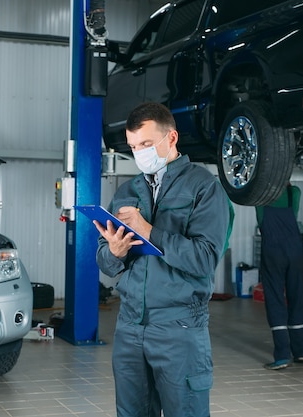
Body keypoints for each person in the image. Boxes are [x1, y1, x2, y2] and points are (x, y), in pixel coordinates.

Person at [93, 102, 232, 417]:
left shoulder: (204, 188)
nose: (139, 153)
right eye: (132, 146)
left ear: (171, 139)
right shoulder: (127, 191)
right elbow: (104, 260)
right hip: (130, 325)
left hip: (179, 326)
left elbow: (205, 259)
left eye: (145, 144)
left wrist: (149, 230)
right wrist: (113, 253)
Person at [255, 183, 303, 370]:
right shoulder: (294, 193)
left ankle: (282, 356)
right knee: (297, 298)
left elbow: (260, 219)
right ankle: (300, 352)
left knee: (275, 300)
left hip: (273, 251)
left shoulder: (260, 195)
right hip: (295, 251)